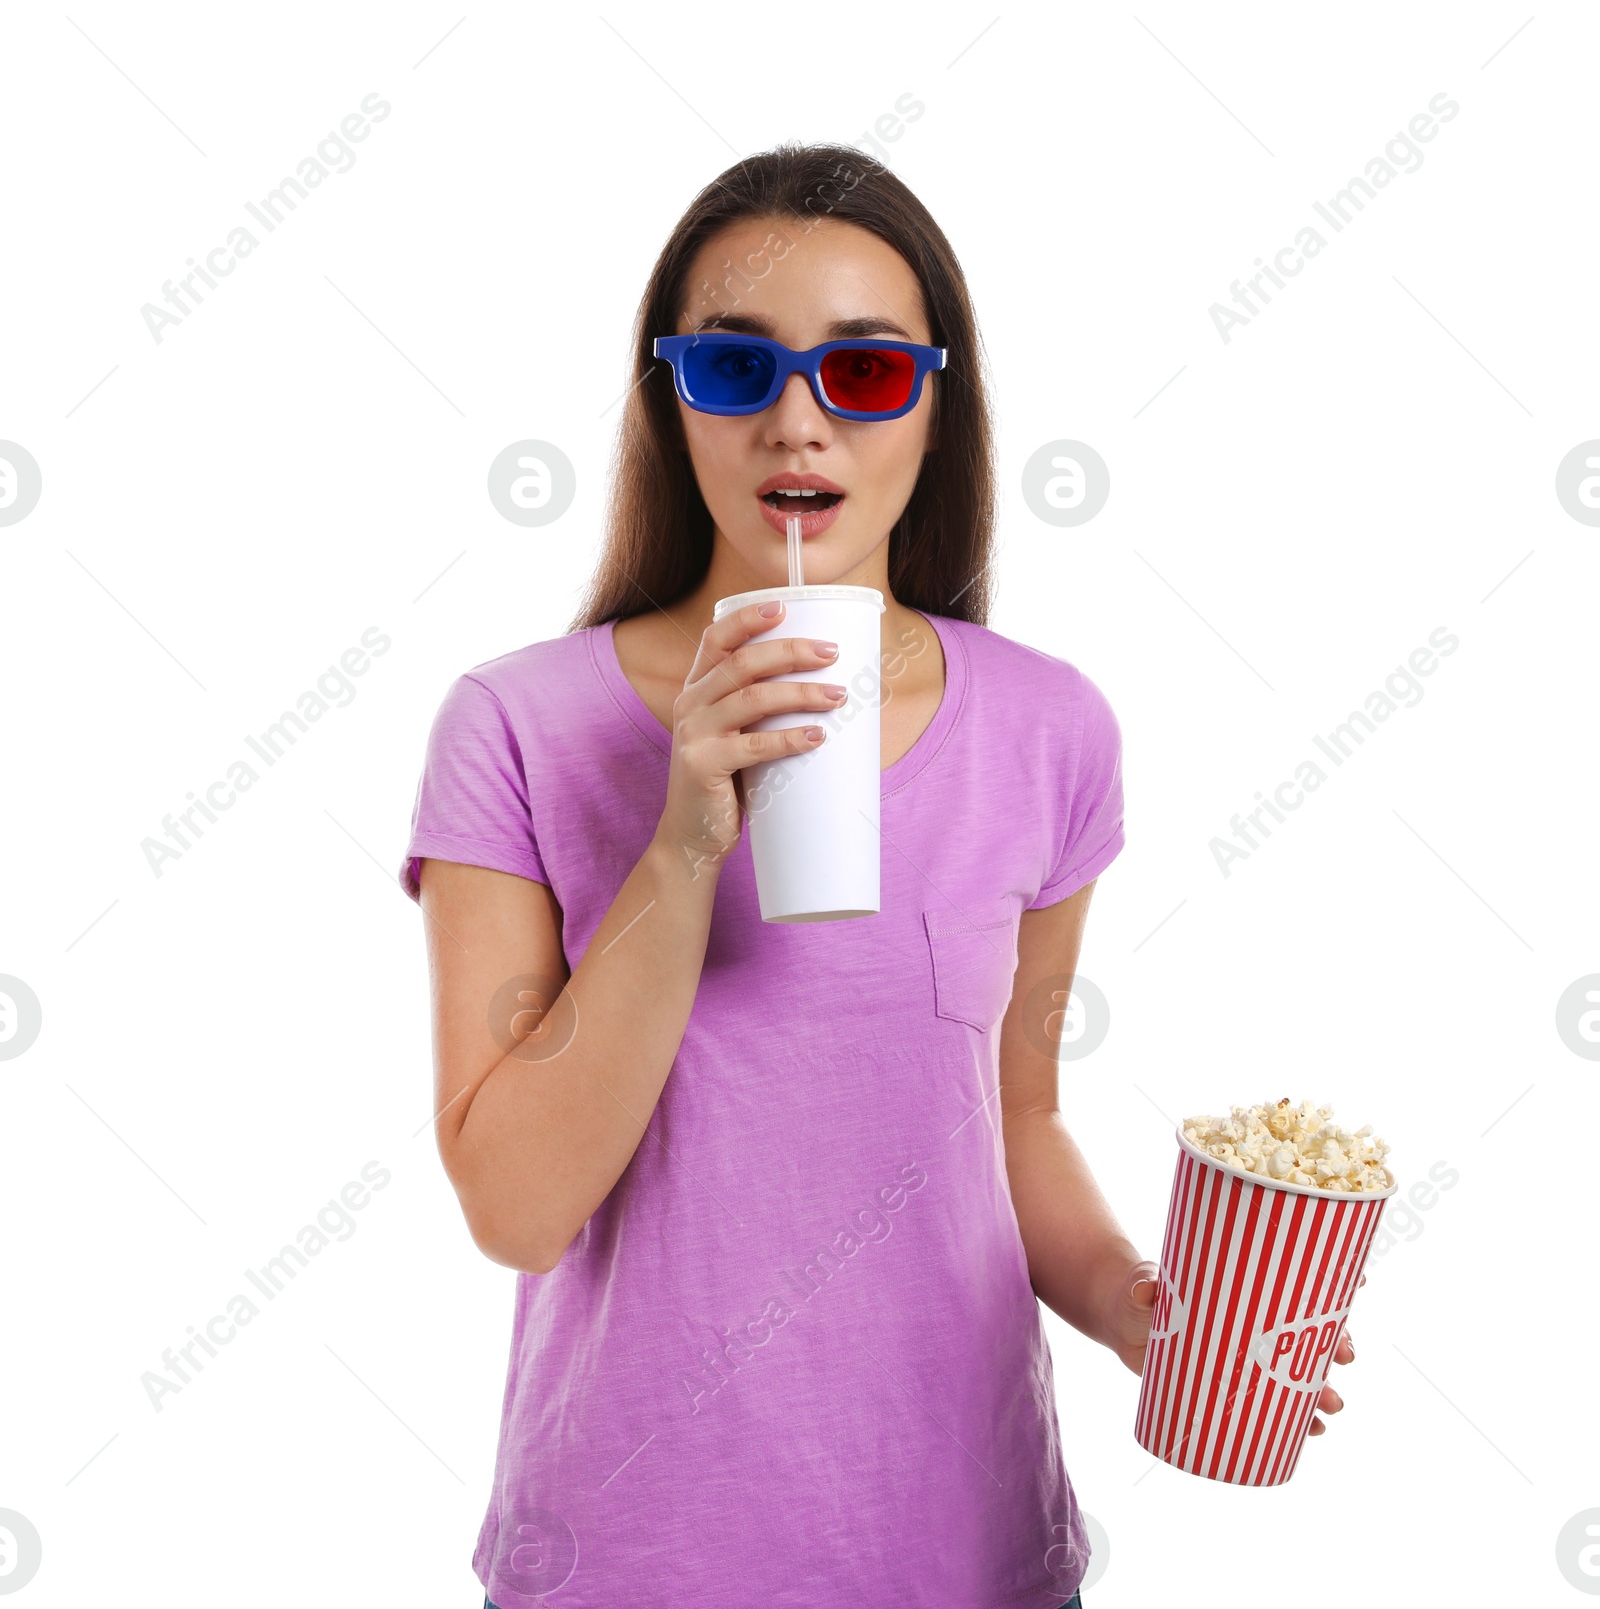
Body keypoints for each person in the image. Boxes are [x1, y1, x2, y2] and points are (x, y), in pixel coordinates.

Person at [398, 143, 1350, 1608]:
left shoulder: (1050, 729)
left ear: (932, 406)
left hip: (965, 1553)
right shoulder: (518, 725)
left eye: (864, 373)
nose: (798, 425)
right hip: (630, 1560)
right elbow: (516, 1210)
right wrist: (686, 839)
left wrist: (1146, 1315)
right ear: (673, 399)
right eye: (735, 367)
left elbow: (1012, 1120)